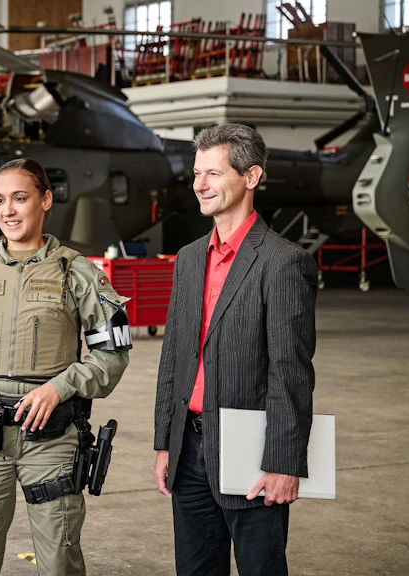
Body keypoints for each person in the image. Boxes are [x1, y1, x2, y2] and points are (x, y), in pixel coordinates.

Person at [0, 158, 131, 576]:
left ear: (45, 200)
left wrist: (61, 386)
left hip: (51, 439)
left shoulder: (78, 272)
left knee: (60, 561)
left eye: (19, 198)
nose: (8, 210)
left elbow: (113, 355)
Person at [152, 123, 317, 576]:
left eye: (213, 173)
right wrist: (166, 443)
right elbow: (174, 357)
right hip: (189, 449)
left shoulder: (283, 262)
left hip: (252, 454)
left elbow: (291, 373)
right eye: (197, 173)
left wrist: (284, 463)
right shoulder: (188, 258)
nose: (199, 185)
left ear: (251, 177)